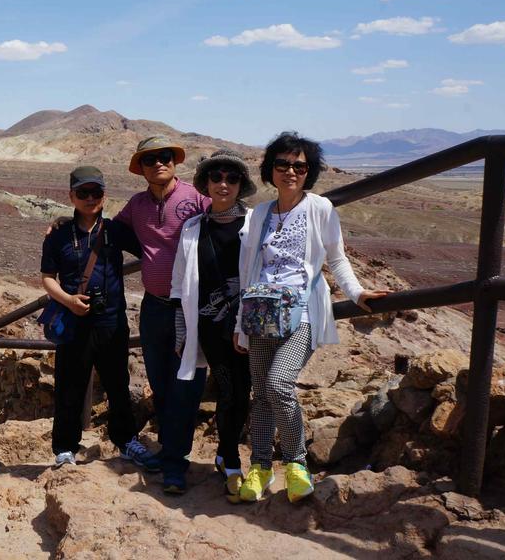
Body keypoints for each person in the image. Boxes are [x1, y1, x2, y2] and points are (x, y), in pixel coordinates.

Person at [235, 132, 389, 503]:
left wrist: (356, 293)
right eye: (283, 164)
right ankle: (258, 468)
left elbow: (336, 258)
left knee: (278, 384)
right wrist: (240, 324)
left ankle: (296, 465)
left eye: (299, 165)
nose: (291, 171)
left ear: (310, 171)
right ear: (271, 169)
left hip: (301, 311)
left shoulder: (319, 208)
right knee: (259, 395)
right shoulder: (259, 214)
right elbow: (248, 269)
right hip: (260, 312)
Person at [40, 165, 154, 468]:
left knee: (118, 383)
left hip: (111, 322)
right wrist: (68, 300)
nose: (90, 198)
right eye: (83, 192)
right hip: (74, 321)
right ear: (71, 195)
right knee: (69, 385)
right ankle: (65, 448)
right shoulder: (59, 234)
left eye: (96, 192)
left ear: (104, 195)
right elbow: (48, 276)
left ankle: (126, 441)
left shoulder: (115, 231)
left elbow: (153, 248)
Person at [164, 148, 255, 497]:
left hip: (248, 324)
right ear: (205, 183)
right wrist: (182, 329)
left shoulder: (254, 223)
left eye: (232, 178)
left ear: (241, 184)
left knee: (243, 392)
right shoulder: (192, 229)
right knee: (230, 389)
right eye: (216, 177)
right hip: (210, 327)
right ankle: (230, 460)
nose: (223, 184)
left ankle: (232, 456)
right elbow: (178, 283)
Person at [115, 136, 210, 466]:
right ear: (140, 168)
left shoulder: (196, 198)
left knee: (187, 381)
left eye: (165, 155)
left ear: (175, 161)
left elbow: (231, 226)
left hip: (190, 308)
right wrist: (65, 225)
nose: (159, 162)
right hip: (154, 306)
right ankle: (171, 448)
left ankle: (175, 458)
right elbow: (109, 231)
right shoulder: (137, 205)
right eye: (150, 158)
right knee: (159, 379)